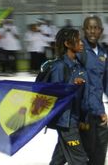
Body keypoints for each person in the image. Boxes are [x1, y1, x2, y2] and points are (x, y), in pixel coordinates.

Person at [48, 28, 88, 165]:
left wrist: (83, 118)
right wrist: (72, 84)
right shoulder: (59, 66)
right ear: (67, 43)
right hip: (66, 121)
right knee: (80, 160)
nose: (81, 43)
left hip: (75, 119)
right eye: (78, 40)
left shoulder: (78, 65)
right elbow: (54, 93)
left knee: (59, 159)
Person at [79, 15, 108, 165]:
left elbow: (106, 82)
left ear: (101, 31)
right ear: (83, 30)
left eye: (95, 28)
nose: (92, 31)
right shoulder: (79, 52)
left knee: (100, 154)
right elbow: (86, 86)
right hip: (83, 113)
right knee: (85, 155)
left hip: (98, 112)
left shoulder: (103, 53)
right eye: (89, 28)